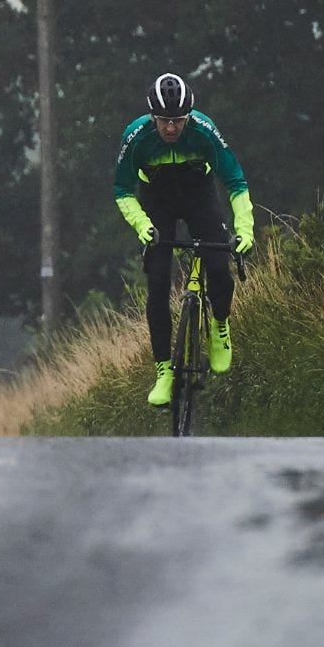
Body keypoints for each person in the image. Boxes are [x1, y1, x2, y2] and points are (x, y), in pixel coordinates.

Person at [110, 71, 253, 407]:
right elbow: (121, 189)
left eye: (178, 121)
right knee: (157, 282)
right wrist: (142, 225)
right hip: (156, 198)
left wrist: (244, 229)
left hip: (198, 193)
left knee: (219, 266)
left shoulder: (204, 131)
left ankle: (220, 326)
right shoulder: (136, 137)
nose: (171, 129)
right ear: (152, 116)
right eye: (164, 121)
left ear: (189, 117)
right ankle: (164, 371)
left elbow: (235, 182)